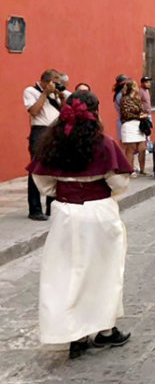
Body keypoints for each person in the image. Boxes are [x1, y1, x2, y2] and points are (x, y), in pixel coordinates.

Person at [28, 90, 132, 359]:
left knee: (66, 273)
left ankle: (76, 334)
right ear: (95, 113)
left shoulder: (52, 144)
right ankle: (106, 330)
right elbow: (119, 182)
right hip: (99, 213)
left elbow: (43, 182)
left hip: (65, 213)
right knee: (104, 272)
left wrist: (66, 192)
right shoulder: (105, 143)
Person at [23, 69, 71, 220]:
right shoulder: (31, 91)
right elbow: (34, 111)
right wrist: (45, 94)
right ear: (44, 82)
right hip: (40, 131)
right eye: (53, 82)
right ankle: (35, 209)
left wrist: (61, 97)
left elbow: (66, 113)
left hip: (56, 132)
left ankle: (52, 207)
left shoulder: (57, 93)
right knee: (36, 170)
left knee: (55, 170)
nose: (56, 85)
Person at [119, 80, 149, 175]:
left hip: (139, 125)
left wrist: (143, 114)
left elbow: (142, 109)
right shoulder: (125, 99)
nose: (137, 88)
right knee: (131, 149)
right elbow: (126, 113)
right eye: (135, 86)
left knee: (142, 148)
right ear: (132, 88)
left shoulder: (137, 98)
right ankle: (130, 170)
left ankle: (142, 169)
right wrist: (139, 116)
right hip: (129, 124)